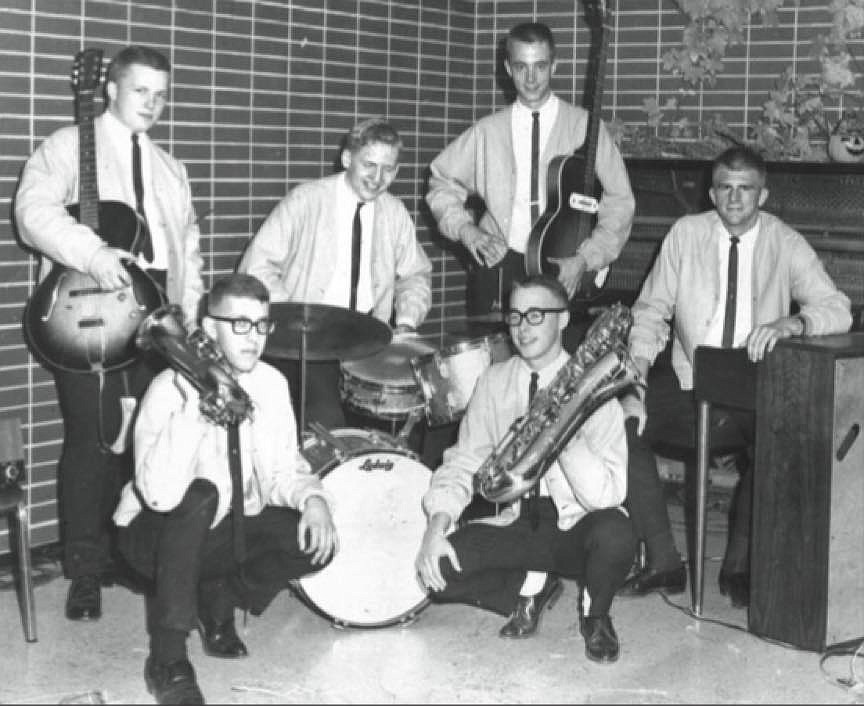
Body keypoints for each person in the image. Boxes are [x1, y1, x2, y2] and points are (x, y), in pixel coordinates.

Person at [15, 45, 204, 622]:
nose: (153, 103)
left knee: (150, 439)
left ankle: (130, 556)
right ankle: (85, 573)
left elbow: (186, 250)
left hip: (155, 323)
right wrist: (94, 254)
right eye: (141, 90)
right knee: (91, 446)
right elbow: (32, 212)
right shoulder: (68, 145)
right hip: (87, 322)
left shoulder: (171, 168)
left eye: (161, 94)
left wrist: (190, 316)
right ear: (110, 90)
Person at [619, 146, 852, 607]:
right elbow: (649, 313)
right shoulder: (685, 234)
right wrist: (636, 387)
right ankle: (665, 562)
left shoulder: (784, 241)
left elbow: (837, 307)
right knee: (621, 427)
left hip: (755, 385)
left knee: (776, 442)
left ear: (762, 195)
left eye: (745, 189)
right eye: (725, 187)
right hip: (690, 381)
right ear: (711, 192)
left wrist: (792, 323)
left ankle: (740, 566)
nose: (734, 199)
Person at [114, 274, 338, 705]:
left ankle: (217, 594)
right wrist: (198, 413)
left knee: (313, 541)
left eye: (261, 325)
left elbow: (281, 473)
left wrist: (313, 500)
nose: (253, 338)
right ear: (207, 326)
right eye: (239, 324)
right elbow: (159, 495)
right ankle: (167, 657)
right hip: (153, 535)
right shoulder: (167, 390)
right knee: (202, 494)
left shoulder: (271, 384)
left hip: (222, 533)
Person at [415, 274, 636, 663]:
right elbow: (464, 459)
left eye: (536, 315)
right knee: (438, 574)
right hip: (519, 521)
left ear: (563, 320)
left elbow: (609, 495)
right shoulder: (494, 380)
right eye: (516, 316)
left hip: (575, 524)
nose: (522, 327)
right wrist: (437, 526)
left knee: (617, 534)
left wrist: (563, 428)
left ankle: (595, 614)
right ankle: (532, 586)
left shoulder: (597, 386)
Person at [426, 21, 634, 333]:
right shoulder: (487, 131)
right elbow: (441, 182)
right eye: (522, 66)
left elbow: (620, 202)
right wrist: (468, 231)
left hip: (564, 268)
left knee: (559, 375)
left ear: (555, 65)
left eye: (540, 66)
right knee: (497, 372)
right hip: (500, 268)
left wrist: (586, 259)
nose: (531, 78)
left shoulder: (586, 128)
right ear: (508, 68)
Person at [238, 118, 432, 432]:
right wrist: (295, 317)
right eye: (369, 165)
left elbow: (416, 275)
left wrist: (407, 321)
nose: (377, 178)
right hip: (309, 343)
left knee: (399, 423)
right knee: (329, 428)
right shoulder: (305, 200)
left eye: (388, 168)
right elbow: (256, 267)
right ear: (346, 159)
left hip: (369, 338)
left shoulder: (395, 212)